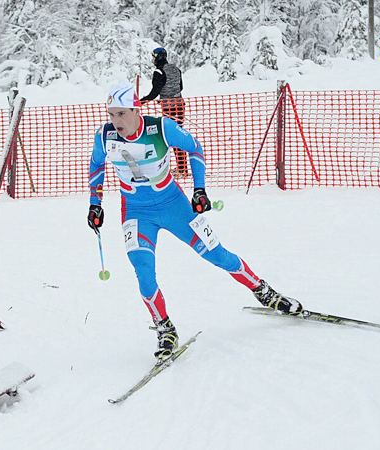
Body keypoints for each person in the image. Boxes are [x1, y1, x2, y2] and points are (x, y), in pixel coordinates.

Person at [87, 82, 303, 361]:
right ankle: (165, 328)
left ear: (136, 110)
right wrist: (95, 203)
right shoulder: (104, 136)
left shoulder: (160, 128)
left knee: (217, 255)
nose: (116, 122)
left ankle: (263, 291)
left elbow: (195, 148)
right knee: (143, 271)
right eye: (111, 114)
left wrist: (199, 189)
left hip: (174, 206)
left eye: (121, 114)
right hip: (136, 213)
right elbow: (95, 165)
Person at [139, 47, 188, 177]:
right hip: (180, 105)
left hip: (169, 108)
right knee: (179, 133)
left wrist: (141, 102)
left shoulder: (158, 72)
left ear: (157, 57)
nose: (153, 60)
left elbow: (155, 92)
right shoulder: (175, 69)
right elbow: (180, 87)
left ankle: (181, 169)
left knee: (171, 135)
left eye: (154, 57)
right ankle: (183, 168)